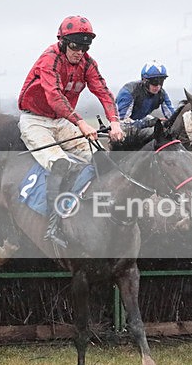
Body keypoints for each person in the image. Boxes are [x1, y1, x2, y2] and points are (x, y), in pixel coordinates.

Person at [18, 15, 124, 240]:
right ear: (64, 42)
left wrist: (114, 120)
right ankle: (53, 226)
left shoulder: (88, 63)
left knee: (103, 160)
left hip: (62, 121)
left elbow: (103, 92)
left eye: (85, 46)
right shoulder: (49, 59)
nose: (80, 51)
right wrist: (81, 122)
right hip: (36, 121)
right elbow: (55, 96)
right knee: (61, 166)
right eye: (75, 45)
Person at [116, 60, 175, 129]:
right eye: (155, 82)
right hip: (121, 126)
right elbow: (122, 123)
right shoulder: (129, 92)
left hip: (140, 121)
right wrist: (148, 123)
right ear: (144, 80)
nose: (158, 86)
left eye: (161, 81)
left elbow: (173, 116)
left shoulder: (161, 94)